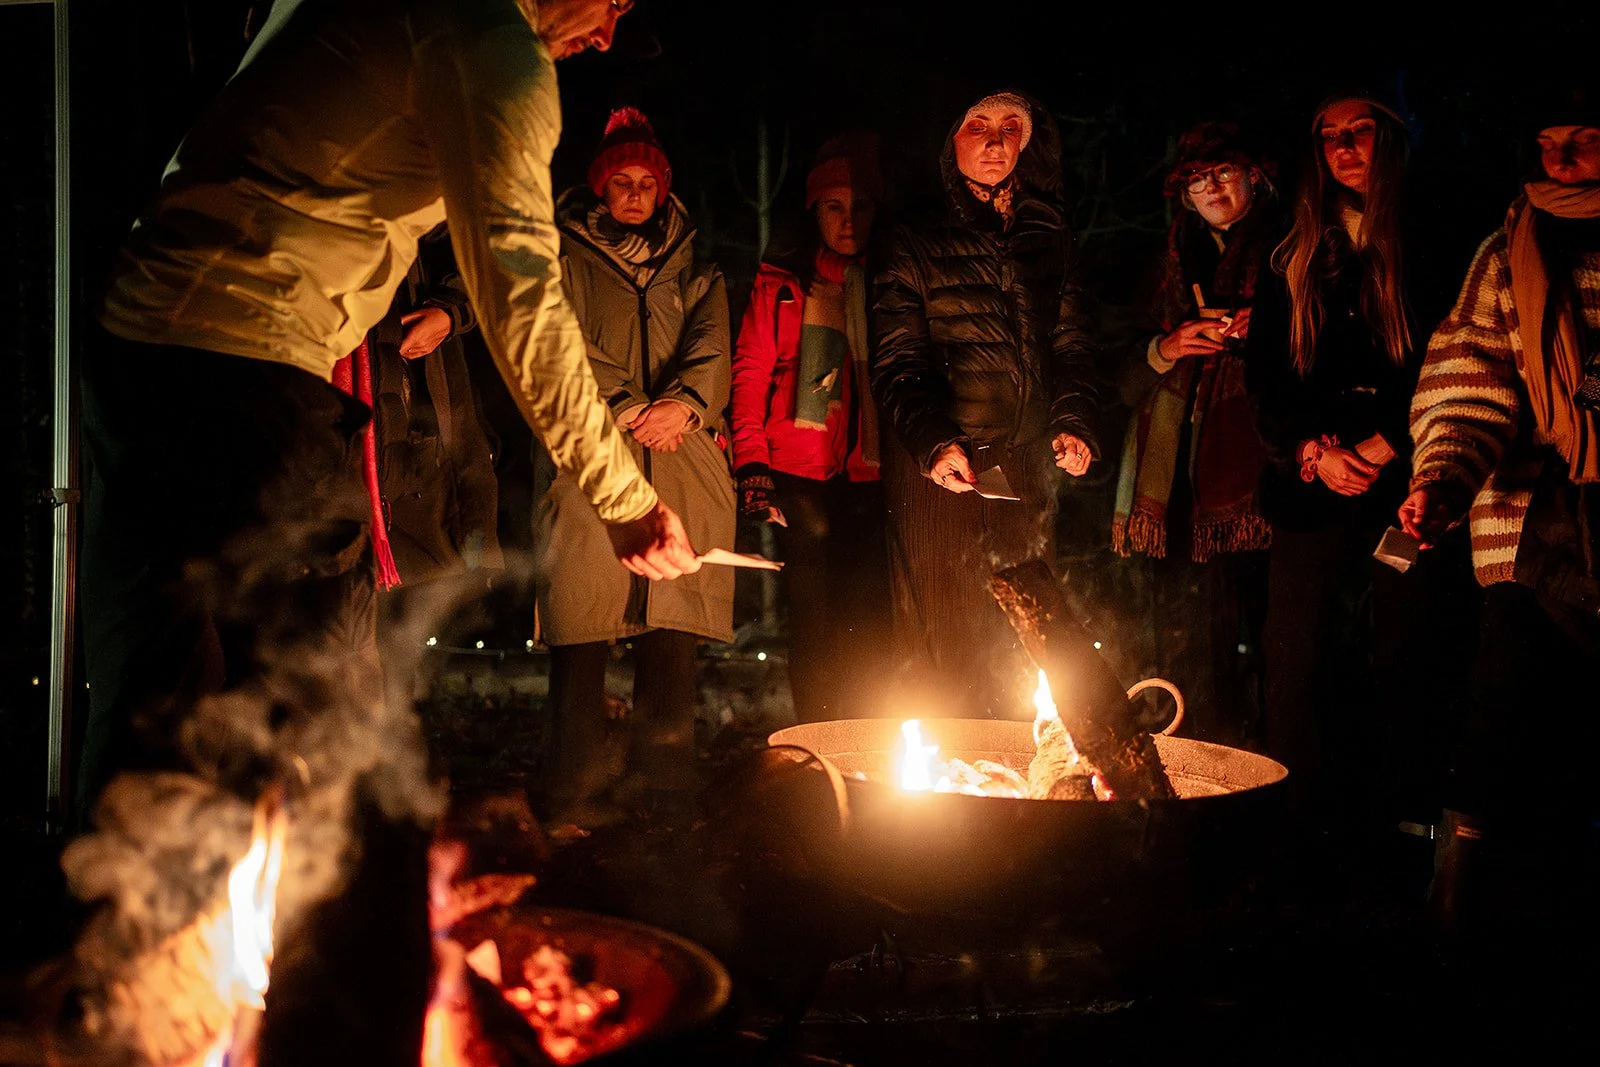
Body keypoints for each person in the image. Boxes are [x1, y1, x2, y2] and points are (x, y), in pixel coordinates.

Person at [79, 3, 689, 1060]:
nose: (604, 34)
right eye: (613, 4)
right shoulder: (489, 40)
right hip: (249, 360)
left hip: (144, 343)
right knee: (331, 717)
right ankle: (346, 1018)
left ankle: (132, 1006)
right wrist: (622, 490)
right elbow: (521, 292)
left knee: (164, 694)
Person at [1402, 96, 1600, 941]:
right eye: (1548, 144)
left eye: (1584, 144)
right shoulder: (1506, 251)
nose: (1561, 163)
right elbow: (1472, 377)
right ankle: (1460, 917)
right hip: (1534, 514)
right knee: (1500, 710)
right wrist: (1443, 477)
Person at [1244, 90, 1458, 845]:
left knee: (1406, 643)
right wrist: (1311, 450)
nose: (1342, 147)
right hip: (1313, 480)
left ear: (1391, 137)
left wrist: (1383, 445)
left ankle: (1405, 820)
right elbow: (1265, 369)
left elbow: (1449, 354)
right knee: (1294, 650)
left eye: (1358, 131)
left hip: (1408, 479)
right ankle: (1292, 819)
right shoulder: (1295, 240)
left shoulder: (1435, 232)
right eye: (1328, 134)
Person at [534, 107, 735, 827]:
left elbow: (714, 348)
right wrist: (624, 405)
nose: (632, 193)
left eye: (644, 181)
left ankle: (665, 800)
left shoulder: (698, 267)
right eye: (619, 181)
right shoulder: (566, 257)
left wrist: (684, 405)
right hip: (595, 451)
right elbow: (561, 338)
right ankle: (570, 796)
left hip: (681, 453)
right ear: (600, 189)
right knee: (582, 628)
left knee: (671, 637)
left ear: (663, 187)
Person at [871, 90, 1100, 720]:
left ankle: (1021, 784)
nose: (996, 142)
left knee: (1028, 632)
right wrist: (933, 441)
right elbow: (898, 359)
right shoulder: (911, 236)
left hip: (1025, 464)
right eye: (979, 125)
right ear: (950, 138)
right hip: (943, 469)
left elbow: (1072, 338)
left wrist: (1073, 419)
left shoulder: (1047, 231)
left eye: (1011, 128)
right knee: (946, 635)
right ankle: (946, 792)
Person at [1112, 121, 1276, 746]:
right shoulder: (1169, 260)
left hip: (1258, 473)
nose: (1211, 188)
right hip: (1174, 478)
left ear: (1254, 177)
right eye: (1197, 180)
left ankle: (1251, 759)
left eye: (1224, 173)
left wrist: (1261, 332)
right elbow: (1120, 372)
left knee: (1259, 633)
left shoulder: (1290, 247)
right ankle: (1184, 755)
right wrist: (1169, 346)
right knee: (1182, 633)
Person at [731, 133, 892, 723]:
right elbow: (747, 378)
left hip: (875, 475)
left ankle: (870, 749)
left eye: (861, 206)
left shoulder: (890, 285)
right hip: (800, 476)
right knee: (817, 626)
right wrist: (752, 470)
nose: (849, 221)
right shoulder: (783, 286)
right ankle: (819, 745)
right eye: (834, 206)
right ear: (812, 211)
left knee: (873, 624)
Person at [363, 223, 507, 717]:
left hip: (419, 446)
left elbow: (490, 247)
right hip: (355, 434)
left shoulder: (436, 205)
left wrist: (452, 308)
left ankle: (395, 763)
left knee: (403, 643)